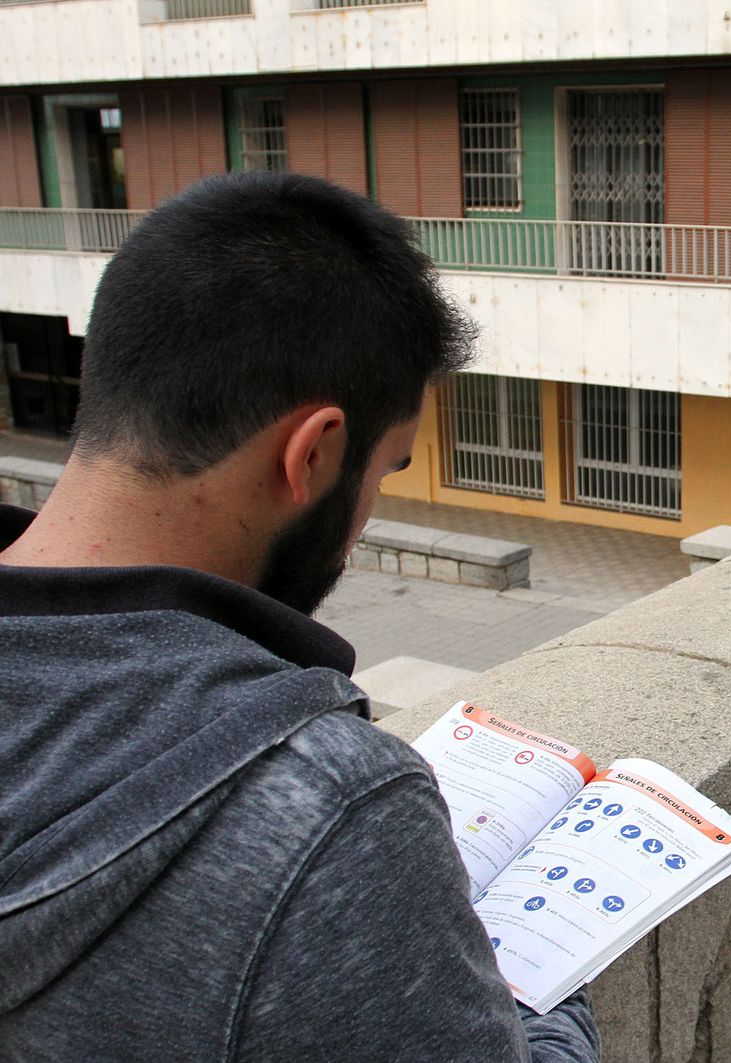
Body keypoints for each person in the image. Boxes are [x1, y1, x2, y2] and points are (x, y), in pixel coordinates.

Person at [0, 173, 601, 1060]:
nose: (364, 520)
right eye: (387, 469)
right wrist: (553, 1003)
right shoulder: (333, 806)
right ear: (314, 452)